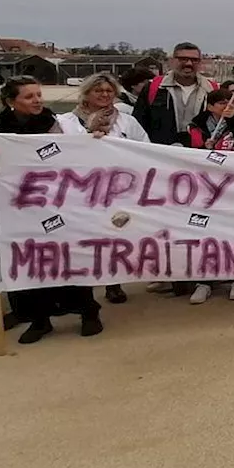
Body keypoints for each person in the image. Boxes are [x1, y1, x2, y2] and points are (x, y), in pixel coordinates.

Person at [0, 77, 102, 343]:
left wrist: (95, 138)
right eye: (29, 97)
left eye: (39, 94)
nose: (38, 100)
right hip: (18, 212)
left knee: (69, 258)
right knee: (28, 261)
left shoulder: (62, 125)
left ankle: (87, 312)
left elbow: (86, 152)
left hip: (59, 206)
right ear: (10, 101)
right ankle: (39, 319)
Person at [58, 72, 150, 304]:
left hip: (118, 189)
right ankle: (81, 285)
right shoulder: (65, 121)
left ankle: (113, 282)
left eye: (109, 91)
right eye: (98, 90)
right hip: (80, 189)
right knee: (83, 235)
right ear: (86, 93)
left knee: (113, 235)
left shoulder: (127, 121)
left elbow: (146, 148)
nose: (104, 95)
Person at [181, 88, 234, 304]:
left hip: (232, 187)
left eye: (232, 102)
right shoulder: (194, 126)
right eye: (223, 102)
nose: (228, 106)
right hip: (202, 188)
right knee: (203, 233)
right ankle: (204, 281)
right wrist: (201, 149)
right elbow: (182, 154)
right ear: (210, 106)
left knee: (233, 231)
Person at [132, 43, 217, 145]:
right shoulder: (154, 87)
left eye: (194, 60)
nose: (189, 63)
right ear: (172, 61)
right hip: (161, 154)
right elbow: (137, 125)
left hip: (198, 155)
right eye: (183, 59)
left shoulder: (211, 90)